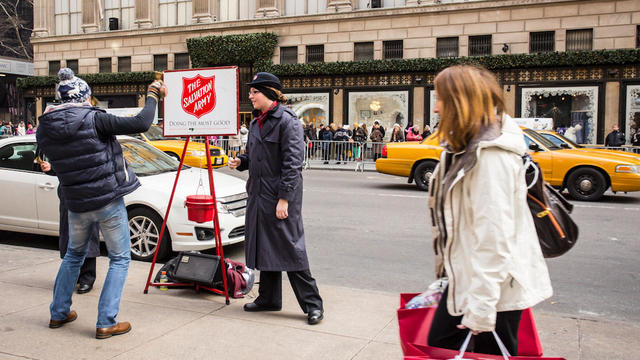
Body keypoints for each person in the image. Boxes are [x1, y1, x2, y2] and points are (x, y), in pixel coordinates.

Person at [427, 65, 552, 355]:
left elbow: (495, 237)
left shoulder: (490, 156)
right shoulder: (466, 148)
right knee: (443, 345)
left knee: (445, 346)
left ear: (460, 102)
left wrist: (481, 309)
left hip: (491, 286)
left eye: (440, 99)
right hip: (473, 276)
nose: (435, 108)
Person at [37, 68, 166, 339]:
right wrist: (153, 94)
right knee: (120, 258)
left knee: (73, 255)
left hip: (75, 202)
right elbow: (142, 122)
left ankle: (58, 313)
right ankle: (106, 321)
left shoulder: (45, 127)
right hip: (106, 199)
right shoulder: (94, 119)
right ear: (85, 97)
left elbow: (51, 160)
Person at [228, 72, 324, 325]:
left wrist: (284, 199)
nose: (250, 96)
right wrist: (241, 162)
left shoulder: (288, 121)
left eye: (254, 92)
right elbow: (255, 156)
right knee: (264, 246)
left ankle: (313, 305)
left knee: (290, 248)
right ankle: (268, 298)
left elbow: (293, 165)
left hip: (280, 196)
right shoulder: (257, 122)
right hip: (259, 193)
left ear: (269, 93)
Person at [40, 159, 101, 294]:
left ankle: (87, 278)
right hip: (68, 193)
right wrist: (51, 167)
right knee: (69, 235)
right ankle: (74, 276)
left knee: (89, 235)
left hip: (88, 192)